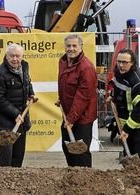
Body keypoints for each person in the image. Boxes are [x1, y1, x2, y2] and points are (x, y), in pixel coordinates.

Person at [0, 44, 37, 167]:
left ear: (22, 56)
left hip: (21, 118)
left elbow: (27, 82)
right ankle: (4, 181)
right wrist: (15, 114)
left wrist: (31, 94)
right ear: (6, 56)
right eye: (12, 56)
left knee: (18, 153)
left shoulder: (24, 67)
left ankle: (17, 180)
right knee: (6, 155)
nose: (15, 59)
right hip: (5, 120)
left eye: (18, 56)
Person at [56, 34, 98, 167]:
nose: (71, 49)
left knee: (80, 151)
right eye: (68, 46)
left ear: (81, 47)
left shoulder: (86, 67)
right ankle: (73, 177)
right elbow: (66, 86)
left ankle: (85, 180)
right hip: (69, 115)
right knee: (68, 148)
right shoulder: (63, 62)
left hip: (82, 117)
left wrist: (71, 120)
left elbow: (83, 97)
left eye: (74, 46)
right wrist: (61, 99)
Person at [110, 48, 140, 169]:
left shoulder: (139, 82)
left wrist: (127, 130)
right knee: (127, 154)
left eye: (125, 62)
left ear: (133, 63)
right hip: (125, 121)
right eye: (119, 61)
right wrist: (112, 97)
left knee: (138, 156)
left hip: (138, 124)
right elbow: (119, 88)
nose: (121, 65)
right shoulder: (120, 72)